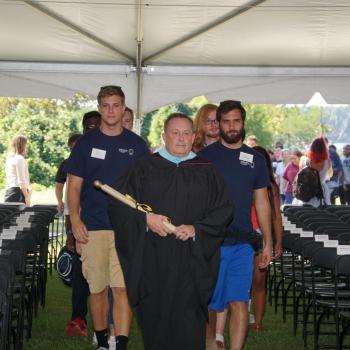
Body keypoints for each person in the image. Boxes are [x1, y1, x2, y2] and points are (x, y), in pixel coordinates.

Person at [108, 113, 233, 350]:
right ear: (164, 136)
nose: (181, 138)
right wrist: (146, 220)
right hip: (153, 258)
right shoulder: (144, 168)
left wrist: (197, 228)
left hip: (192, 261)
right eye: (175, 133)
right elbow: (118, 205)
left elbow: (224, 209)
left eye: (186, 133)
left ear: (194, 136)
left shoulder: (207, 170)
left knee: (189, 324)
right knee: (156, 322)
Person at [66, 85, 149, 350]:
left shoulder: (136, 145)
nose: (111, 111)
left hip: (127, 229)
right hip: (94, 228)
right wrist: (75, 222)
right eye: (106, 105)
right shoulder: (85, 145)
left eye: (116, 105)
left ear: (124, 108)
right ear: (99, 108)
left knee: (122, 289)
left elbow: (147, 187)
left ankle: (120, 344)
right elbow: (74, 186)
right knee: (98, 290)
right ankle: (102, 340)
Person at [199, 100, 272, 350]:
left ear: (243, 123)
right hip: (212, 241)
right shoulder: (204, 157)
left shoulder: (256, 160)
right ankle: (210, 345)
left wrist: (268, 242)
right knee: (211, 303)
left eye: (236, 121)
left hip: (243, 242)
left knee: (240, 301)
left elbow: (262, 203)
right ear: (218, 124)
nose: (231, 126)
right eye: (226, 121)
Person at [251, 146, 282, 331]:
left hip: (262, 235)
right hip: (242, 232)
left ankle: (258, 323)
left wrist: (278, 241)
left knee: (259, 280)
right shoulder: (242, 180)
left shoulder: (271, 187)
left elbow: (276, 216)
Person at [4, 135, 31, 206]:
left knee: (8, 216)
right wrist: (27, 197)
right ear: (23, 145)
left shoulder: (10, 159)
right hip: (18, 192)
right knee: (19, 216)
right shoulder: (20, 159)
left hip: (9, 191)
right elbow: (21, 181)